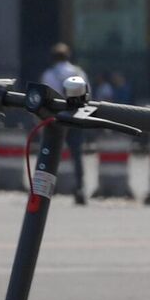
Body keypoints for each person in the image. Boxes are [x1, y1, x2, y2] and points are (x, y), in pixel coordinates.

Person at [41, 42, 89, 205]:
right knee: (76, 154)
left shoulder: (49, 74)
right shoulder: (79, 72)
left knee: (50, 153)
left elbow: (44, 99)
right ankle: (80, 188)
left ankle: (45, 189)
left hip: (56, 119)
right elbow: (88, 95)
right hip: (75, 118)